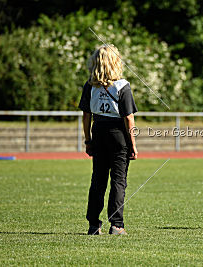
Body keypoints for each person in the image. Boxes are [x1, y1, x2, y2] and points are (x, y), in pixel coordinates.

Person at [78, 44, 138, 235]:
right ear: (115, 62)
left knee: (98, 180)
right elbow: (129, 118)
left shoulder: (90, 86)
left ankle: (94, 224)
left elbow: (86, 115)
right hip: (118, 135)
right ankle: (117, 225)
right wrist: (133, 146)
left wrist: (88, 140)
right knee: (118, 181)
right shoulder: (123, 86)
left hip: (99, 132)